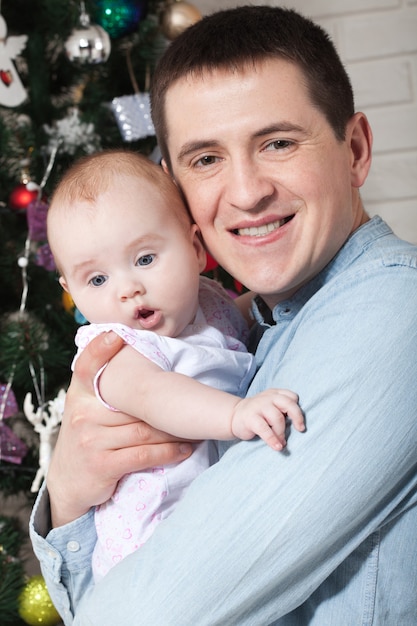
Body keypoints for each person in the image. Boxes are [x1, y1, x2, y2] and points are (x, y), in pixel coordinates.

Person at [30, 5, 417, 625]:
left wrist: (73, 504)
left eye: (279, 142)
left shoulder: (393, 314)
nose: (245, 192)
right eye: (206, 158)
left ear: (355, 150)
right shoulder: (246, 321)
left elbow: (151, 612)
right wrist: (74, 492)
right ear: (173, 186)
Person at [46, 149, 303, 582]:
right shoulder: (117, 349)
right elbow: (156, 396)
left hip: (212, 522)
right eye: (97, 279)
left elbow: (238, 317)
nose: (128, 289)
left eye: (145, 259)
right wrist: (235, 413)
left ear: (195, 247)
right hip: (149, 546)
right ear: (70, 289)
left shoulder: (204, 301)